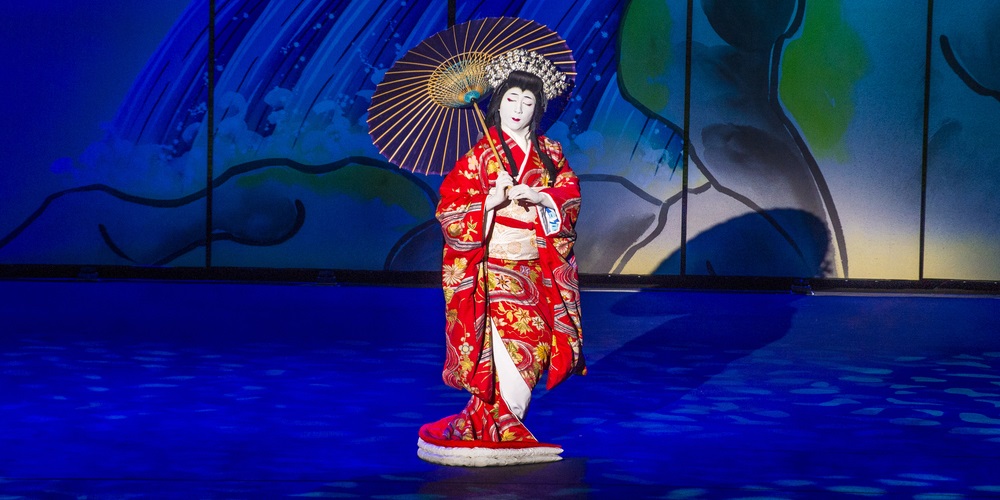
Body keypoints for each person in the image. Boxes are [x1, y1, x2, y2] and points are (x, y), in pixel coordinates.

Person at [417, 49, 585, 467]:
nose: (519, 109)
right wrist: (488, 203)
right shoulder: (480, 156)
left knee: (535, 347)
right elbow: (450, 208)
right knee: (505, 347)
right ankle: (499, 426)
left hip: (536, 267)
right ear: (499, 101)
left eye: (528, 103)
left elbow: (570, 194)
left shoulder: (550, 152)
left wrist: (541, 195)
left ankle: (506, 423)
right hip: (494, 268)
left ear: (538, 108)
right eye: (511, 99)